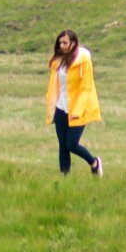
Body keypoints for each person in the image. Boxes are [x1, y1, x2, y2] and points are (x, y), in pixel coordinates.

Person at [44, 29, 102, 177]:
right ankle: (66, 177)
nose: (61, 45)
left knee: (71, 144)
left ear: (73, 43)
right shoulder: (58, 61)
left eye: (65, 43)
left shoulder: (82, 61)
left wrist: (77, 111)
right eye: (60, 42)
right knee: (62, 145)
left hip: (78, 109)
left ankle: (94, 162)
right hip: (60, 107)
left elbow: (86, 88)